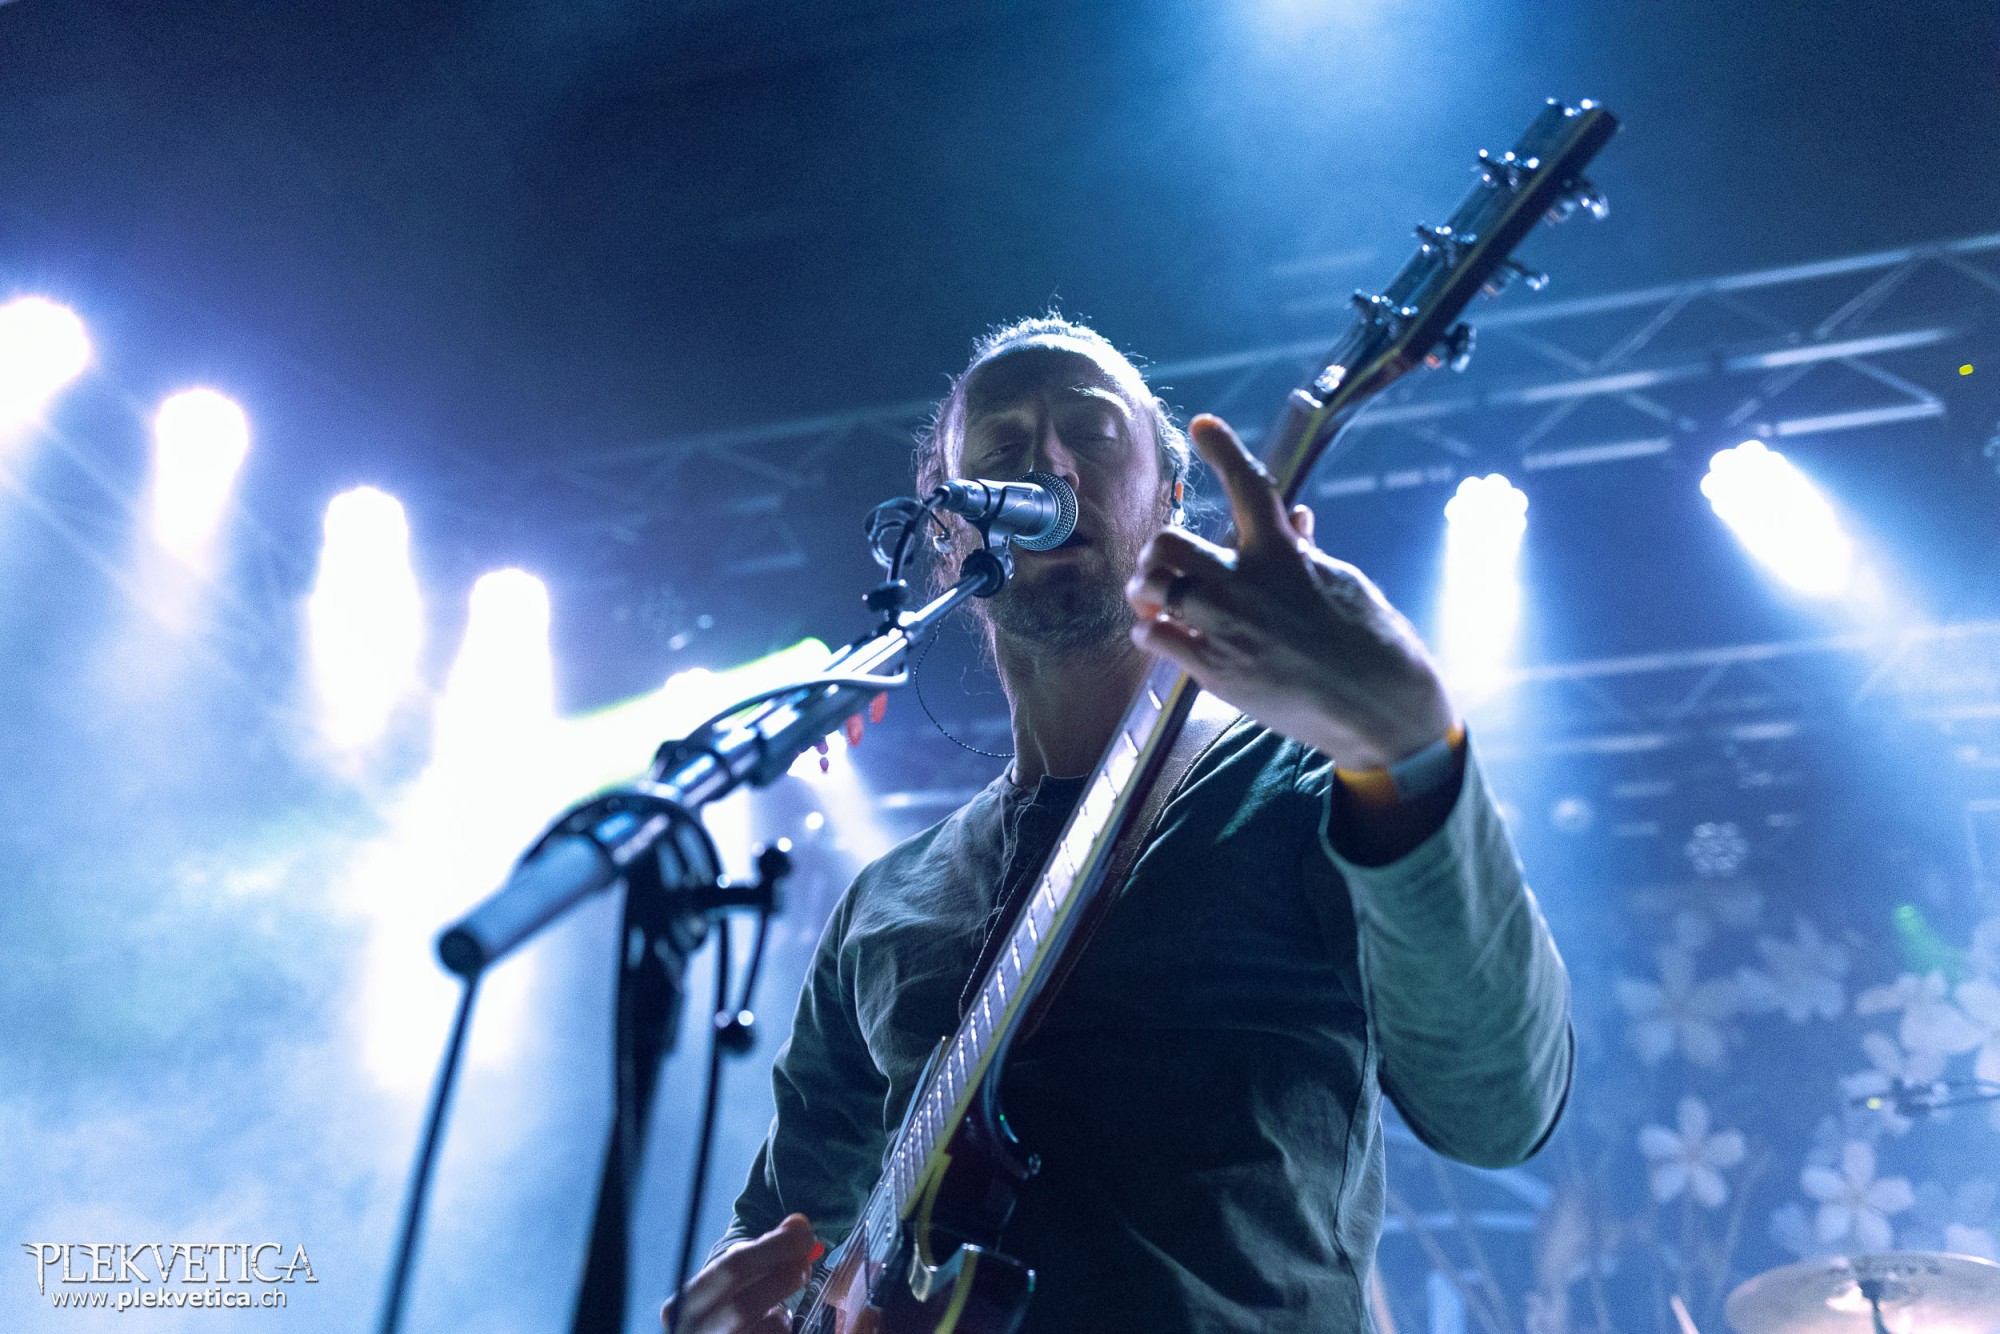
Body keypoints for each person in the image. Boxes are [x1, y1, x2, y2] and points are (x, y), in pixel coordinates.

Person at [664, 316, 1572, 1333]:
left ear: (1171, 502)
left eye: (1090, 432)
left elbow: (1501, 1104)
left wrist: (1408, 741)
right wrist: (734, 1311)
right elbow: (782, 1233)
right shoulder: (885, 902)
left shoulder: (1310, 784)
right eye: (1001, 443)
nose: (1045, 462)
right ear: (950, 531)